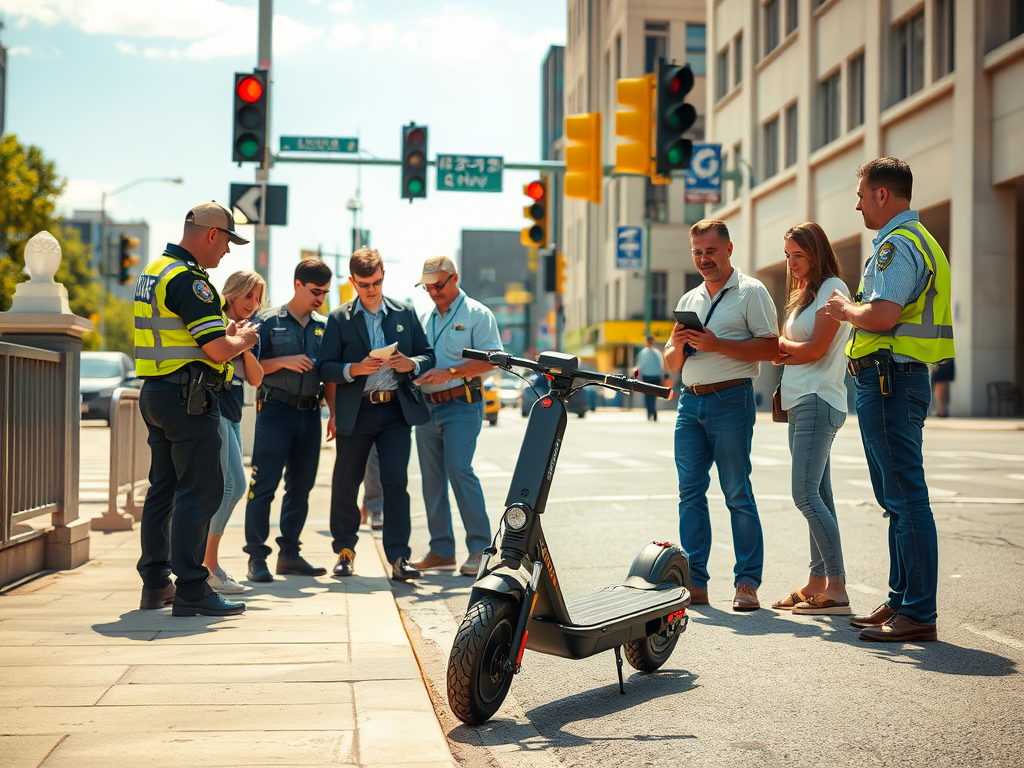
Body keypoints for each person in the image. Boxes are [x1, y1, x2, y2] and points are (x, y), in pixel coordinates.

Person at [824, 157, 954, 643]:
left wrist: (843, 309)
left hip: (889, 380)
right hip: (894, 379)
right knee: (896, 500)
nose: (857, 202)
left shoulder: (897, 245)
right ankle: (902, 600)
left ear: (882, 194)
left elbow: (880, 316)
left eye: (861, 194)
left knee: (904, 499)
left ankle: (917, 611)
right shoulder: (916, 240)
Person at [134, 201, 259, 617]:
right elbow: (218, 349)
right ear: (211, 234)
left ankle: (156, 584)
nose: (227, 252)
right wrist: (242, 341)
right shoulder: (192, 281)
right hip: (189, 400)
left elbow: (180, 335)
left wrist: (222, 337)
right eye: (227, 242)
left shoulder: (154, 271)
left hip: (156, 393)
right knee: (199, 491)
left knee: (163, 490)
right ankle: (192, 587)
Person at [663, 219, 779, 612]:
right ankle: (695, 581)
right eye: (697, 252)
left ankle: (747, 582)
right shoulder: (690, 298)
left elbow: (769, 347)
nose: (703, 259)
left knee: (736, 492)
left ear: (729, 249)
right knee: (689, 493)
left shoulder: (752, 291)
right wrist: (679, 346)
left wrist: (716, 344)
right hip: (689, 403)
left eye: (710, 251)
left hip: (731, 400)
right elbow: (670, 361)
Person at [316, 248, 434, 581]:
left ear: (384, 275)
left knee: (396, 482)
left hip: (396, 411)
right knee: (345, 483)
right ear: (353, 281)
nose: (372, 290)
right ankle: (345, 553)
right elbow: (323, 367)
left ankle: (399, 557)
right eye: (365, 284)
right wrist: (353, 368)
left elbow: (428, 355)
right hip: (357, 411)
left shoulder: (405, 312)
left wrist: (411, 364)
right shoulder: (340, 318)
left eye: (378, 282)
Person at [769, 223, 852, 615]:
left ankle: (837, 588)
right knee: (820, 495)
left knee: (804, 494)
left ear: (816, 252)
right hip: (802, 401)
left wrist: (780, 346)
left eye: (797, 255)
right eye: (787, 255)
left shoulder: (833, 288)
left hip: (819, 400)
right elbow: (799, 349)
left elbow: (816, 349)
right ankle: (818, 581)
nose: (791, 262)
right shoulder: (807, 294)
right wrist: (786, 350)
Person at [410, 256, 503, 576]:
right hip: (426, 408)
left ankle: (480, 550)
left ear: (455, 278)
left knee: (459, 470)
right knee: (431, 480)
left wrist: (447, 372)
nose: (433, 292)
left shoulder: (478, 314)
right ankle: (441, 550)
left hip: (462, 404)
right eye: (427, 287)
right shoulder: (425, 318)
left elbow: (492, 361)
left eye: (438, 285)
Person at [243, 259, 334, 583]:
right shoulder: (266, 322)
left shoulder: (325, 326)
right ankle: (256, 557)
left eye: (325, 292)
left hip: (310, 414)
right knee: (263, 485)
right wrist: (283, 361)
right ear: (298, 284)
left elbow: (330, 376)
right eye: (315, 291)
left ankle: (290, 555)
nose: (320, 297)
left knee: (301, 488)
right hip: (275, 412)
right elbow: (249, 369)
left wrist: (333, 414)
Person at [203, 270, 266, 594]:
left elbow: (256, 379)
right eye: (248, 297)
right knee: (231, 486)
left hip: (233, 415)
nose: (253, 305)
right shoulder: (215, 321)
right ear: (232, 293)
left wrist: (244, 346)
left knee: (234, 488)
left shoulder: (248, 331)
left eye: (257, 299)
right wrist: (234, 338)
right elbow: (213, 354)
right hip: (213, 412)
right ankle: (208, 566)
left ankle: (208, 563)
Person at [633, 336, 666, 421]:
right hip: (656, 377)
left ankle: (650, 413)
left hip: (647, 377)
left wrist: (636, 378)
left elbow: (639, 366)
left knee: (648, 397)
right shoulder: (657, 353)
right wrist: (662, 379)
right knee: (654, 396)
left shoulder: (643, 353)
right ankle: (654, 413)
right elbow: (662, 367)